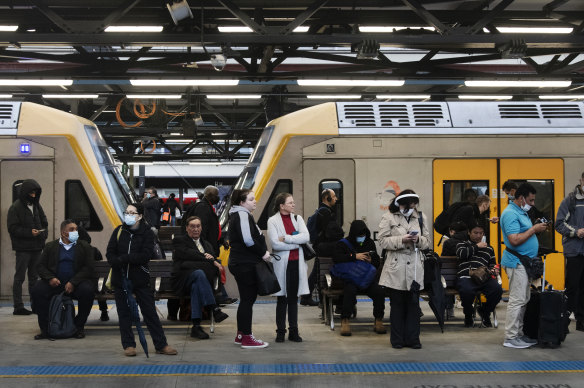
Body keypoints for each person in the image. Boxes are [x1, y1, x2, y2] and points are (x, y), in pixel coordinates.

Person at [106, 202, 177, 357]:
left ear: (139, 216)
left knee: (150, 313)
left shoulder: (147, 233)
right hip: (121, 280)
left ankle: (161, 344)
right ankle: (129, 345)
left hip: (140, 280)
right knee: (124, 314)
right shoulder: (119, 231)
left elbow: (145, 255)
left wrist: (124, 258)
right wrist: (117, 260)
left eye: (132, 212)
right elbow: (110, 253)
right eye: (127, 212)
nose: (128, 215)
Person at [378, 190, 430, 349]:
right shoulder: (388, 217)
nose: (411, 207)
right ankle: (397, 340)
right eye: (408, 204)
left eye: (414, 204)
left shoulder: (421, 217)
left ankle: (413, 339)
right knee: (397, 305)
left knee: (414, 305)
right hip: (396, 265)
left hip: (415, 265)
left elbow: (427, 242)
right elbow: (382, 241)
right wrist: (401, 239)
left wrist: (418, 239)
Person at [500, 183, 548, 349]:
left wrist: (535, 228)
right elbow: (514, 240)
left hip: (524, 263)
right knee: (517, 300)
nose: (533, 203)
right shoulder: (510, 214)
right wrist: (534, 229)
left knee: (523, 299)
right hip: (516, 262)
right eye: (531, 200)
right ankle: (510, 337)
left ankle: (518, 334)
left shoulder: (521, 212)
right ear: (521, 198)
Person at [31, 219, 95, 339]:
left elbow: (89, 267)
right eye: (71, 230)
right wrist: (50, 278)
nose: (75, 232)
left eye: (76, 229)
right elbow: (40, 266)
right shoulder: (50, 246)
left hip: (76, 283)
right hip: (56, 282)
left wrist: (73, 282)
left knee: (88, 291)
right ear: (63, 233)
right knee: (37, 291)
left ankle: (78, 327)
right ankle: (45, 329)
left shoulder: (84, 246)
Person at [171, 216, 228, 340]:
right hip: (182, 281)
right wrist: (205, 259)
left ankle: (196, 326)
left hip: (201, 283)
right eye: (192, 226)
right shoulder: (179, 241)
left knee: (197, 282)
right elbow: (184, 256)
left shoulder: (207, 244)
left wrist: (197, 263)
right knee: (199, 273)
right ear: (186, 228)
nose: (195, 229)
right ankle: (214, 308)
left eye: (198, 226)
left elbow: (211, 268)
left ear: (201, 228)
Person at [228, 189, 271, 349]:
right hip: (245, 263)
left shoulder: (238, 215)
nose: (255, 201)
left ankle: (241, 335)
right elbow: (248, 239)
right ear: (241, 202)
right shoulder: (242, 215)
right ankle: (247, 337)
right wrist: (263, 253)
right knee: (248, 300)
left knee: (245, 300)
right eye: (251, 199)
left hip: (240, 263)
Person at [267, 193, 310, 343]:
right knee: (282, 298)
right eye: (290, 202)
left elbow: (306, 237)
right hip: (282, 265)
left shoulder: (298, 219)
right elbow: (275, 244)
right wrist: (296, 243)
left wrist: (287, 238)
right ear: (282, 206)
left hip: (296, 263)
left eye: (293, 202)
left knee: (293, 298)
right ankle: (280, 332)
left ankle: (294, 331)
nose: (293, 205)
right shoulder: (272, 221)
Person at [183, 185, 236, 305]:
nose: (218, 197)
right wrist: (206, 248)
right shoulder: (203, 208)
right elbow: (202, 230)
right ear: (210, 195)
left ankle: (221, 296)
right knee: (214, 270)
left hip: (211, 246)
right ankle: (219, 297)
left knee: (215, 270)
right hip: (207, 248)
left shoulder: (207, 206)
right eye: (216, 195)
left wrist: (221, 240)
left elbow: (212, 229)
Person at [333, 220, 386, 337]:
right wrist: (354, 256)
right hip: (351, 279)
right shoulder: (343, 244)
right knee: (349, 291)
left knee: (378, 292)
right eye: (359, 236)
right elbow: (337, 258)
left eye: (363, 235)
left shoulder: (369, 243)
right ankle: (345, 320)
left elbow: (376, 261)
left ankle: (378, 320)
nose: (362, 238)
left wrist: (372, 260)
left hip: (367, 279)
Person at [7, 179, 48, 315]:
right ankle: (18, 306)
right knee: (19, 277)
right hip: (23, 249)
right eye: (31, 192)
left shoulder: (37, 205)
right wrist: (29, 233)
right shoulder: (15, 207)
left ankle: (35, 305)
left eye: (36, 193)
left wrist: (43, 234)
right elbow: (12, 228)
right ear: (25, 193)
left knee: (34, 278)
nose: (34, 195)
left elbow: (44, 221)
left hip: (36, 248)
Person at [455, 224, 503, 328]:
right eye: (475, 233)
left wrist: (494, 270)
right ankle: (468, 314)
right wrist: (477, 247)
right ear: (469, 232)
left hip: (484, 277)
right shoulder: (462, 244)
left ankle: (485, 312)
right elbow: (461, 254)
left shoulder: (489, 248)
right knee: (466, 290)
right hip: (467, 276)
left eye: (481, 233)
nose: (478, 235)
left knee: (497, 290)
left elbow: (492, 264)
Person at [555, 172, 584, 332]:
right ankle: (563, 322)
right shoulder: (570, 201)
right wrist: (576, 232)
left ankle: (581, 321)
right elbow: (559, 224)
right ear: (581, 180)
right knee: (572, 287)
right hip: (574, 251)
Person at [302, 188, 338, 306]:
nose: (336, 198)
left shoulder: (322, 210)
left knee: (317, 270)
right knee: (318, 271)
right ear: (326, 198)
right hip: (323, 247)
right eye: (333, 196)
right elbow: (328, 232)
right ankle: (307, 296)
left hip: (320, 245)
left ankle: (306, 296)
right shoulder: (326, 212)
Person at [77, 222, 109, 322]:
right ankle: (104, 311)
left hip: (78, 284)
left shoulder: (72, 250)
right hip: (95, 284)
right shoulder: (94, 251)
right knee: (99, 283)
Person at [441, 221, 469, 319]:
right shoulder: (470, 243)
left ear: (452, 231)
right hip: (468, 278)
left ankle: (449, 309)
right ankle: (469, 311)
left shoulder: (448, 243)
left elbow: (443, 260)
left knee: (446, 279)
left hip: (450, 280)